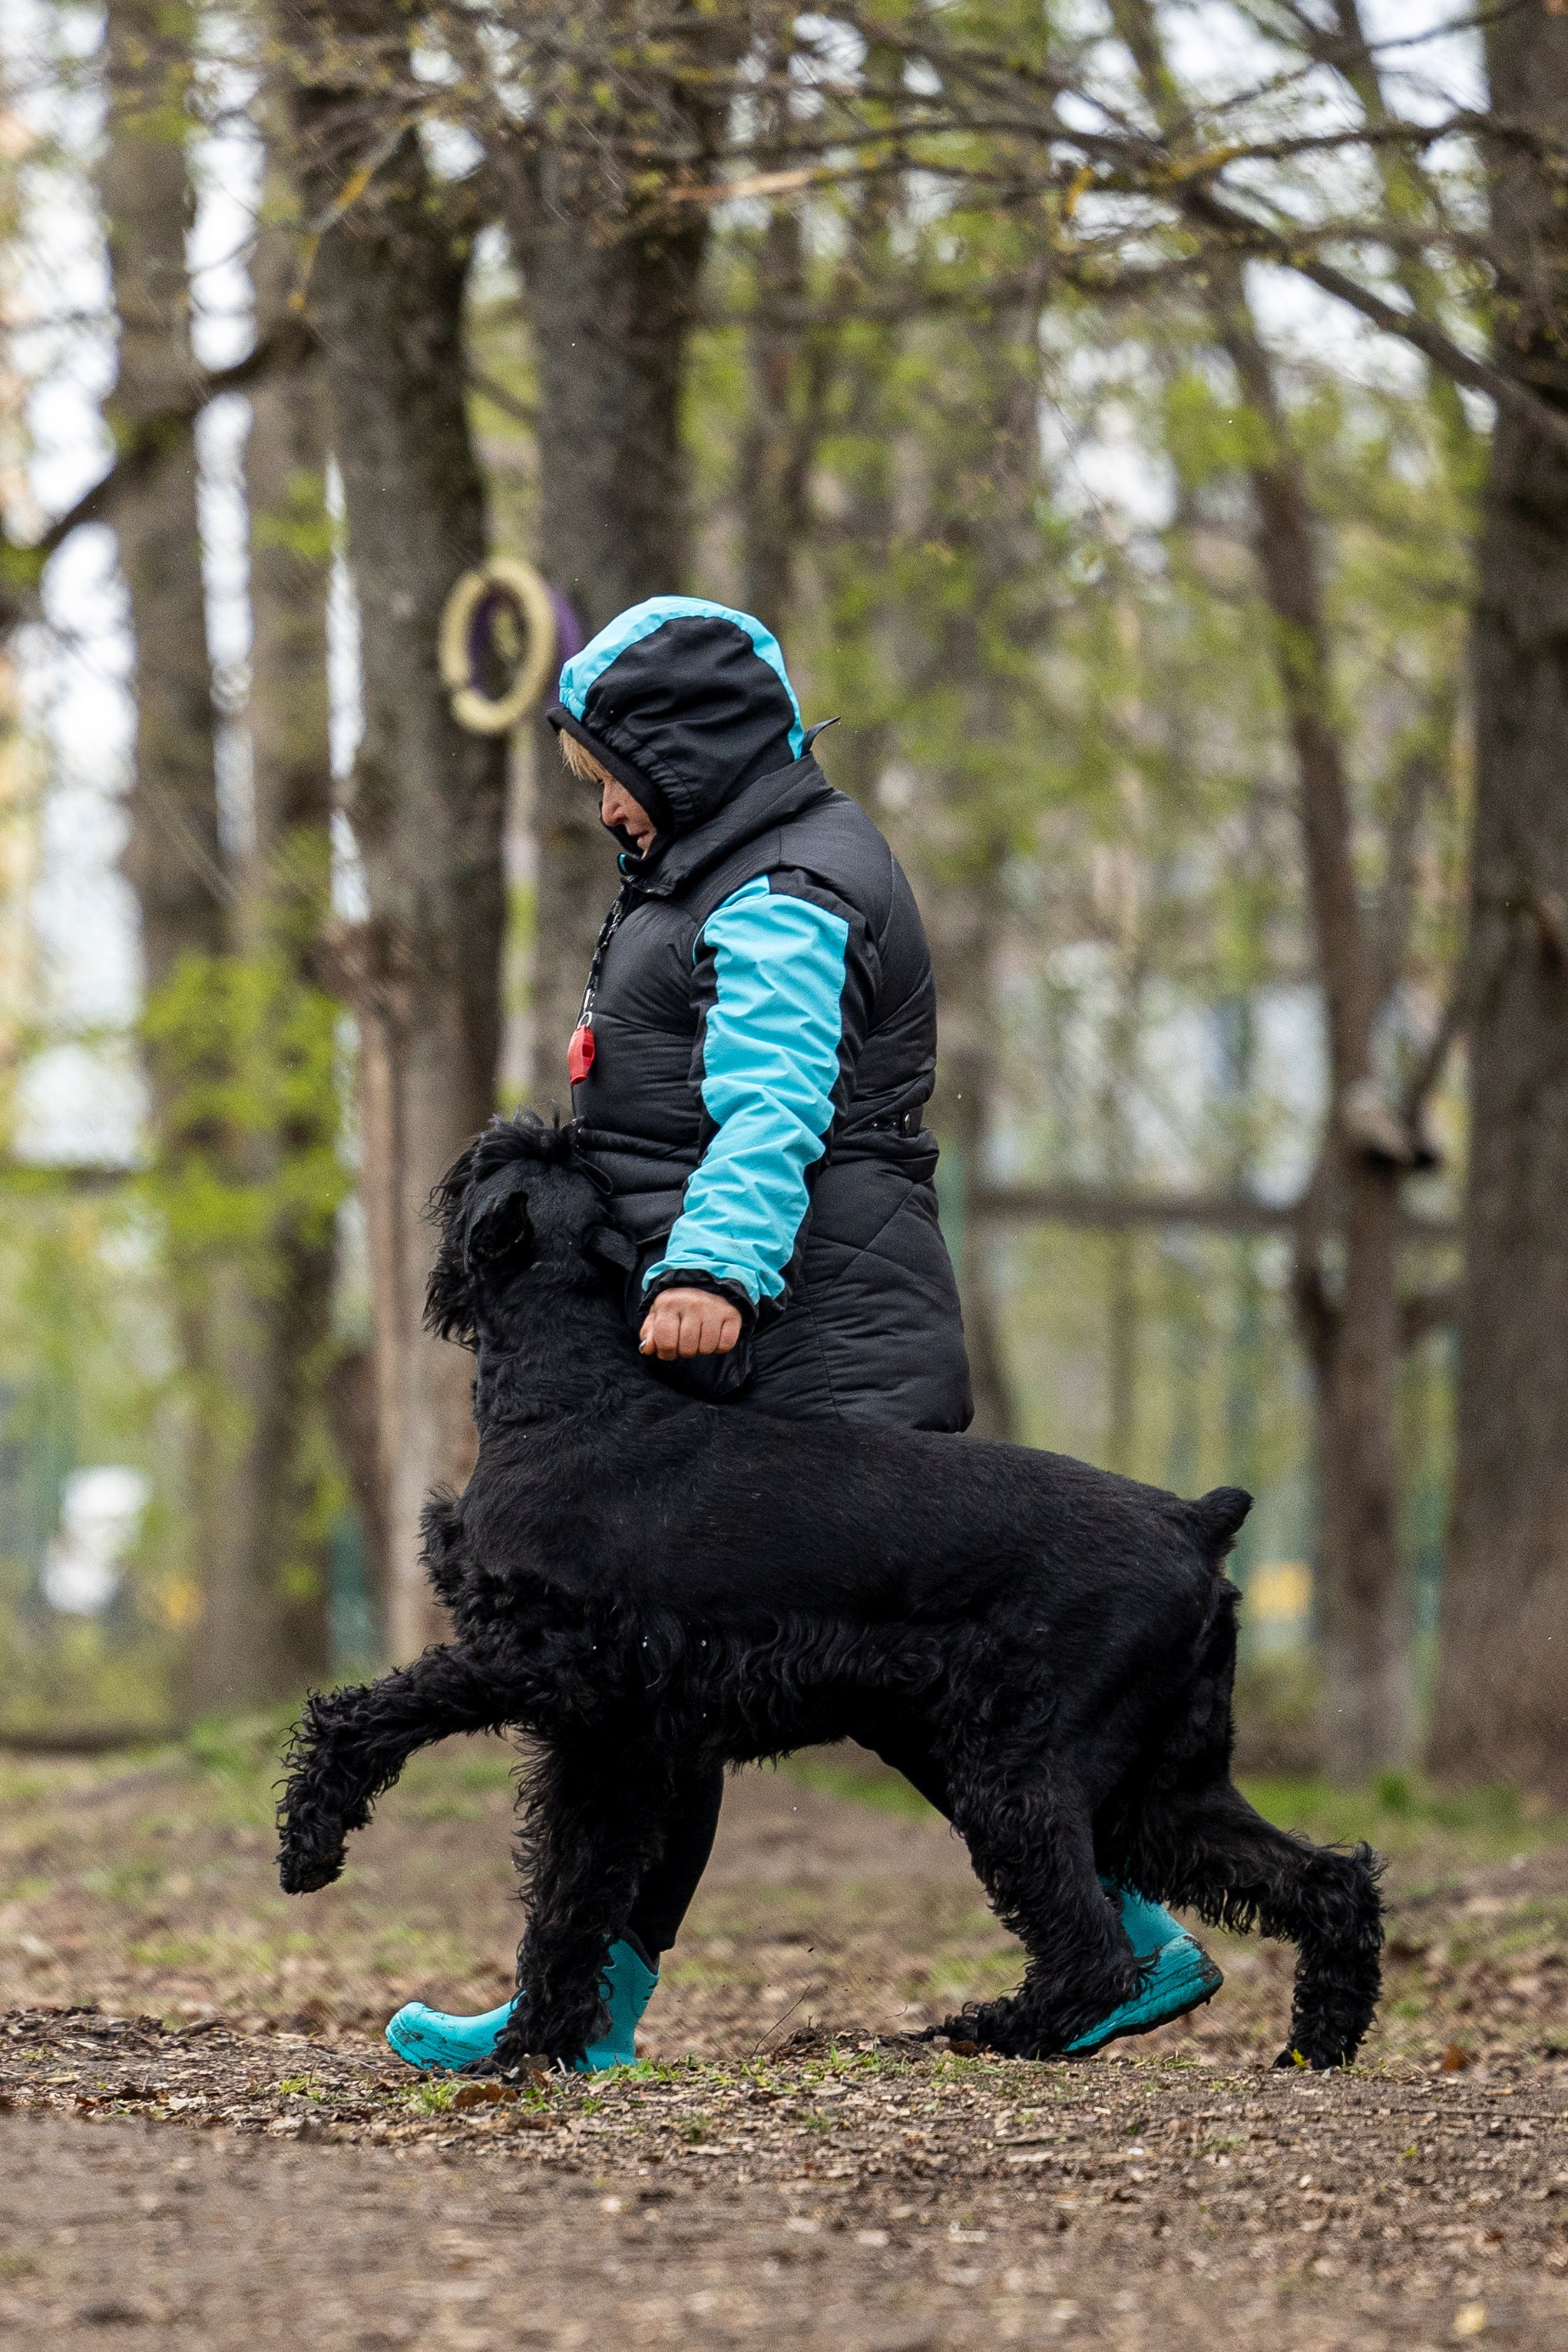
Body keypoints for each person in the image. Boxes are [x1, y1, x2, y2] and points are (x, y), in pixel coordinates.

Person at [386, 596, 1219, 2072]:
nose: (602, 805)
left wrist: (712, 1268)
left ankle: (589, 2017)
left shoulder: (781, 885)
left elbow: (773, 1102)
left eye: (607, 774)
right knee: (729, 1686)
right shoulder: (719, 861)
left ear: (681, 750)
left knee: (744, 1687)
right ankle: (589, 2009)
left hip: (797, 1325)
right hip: (768, 1326)